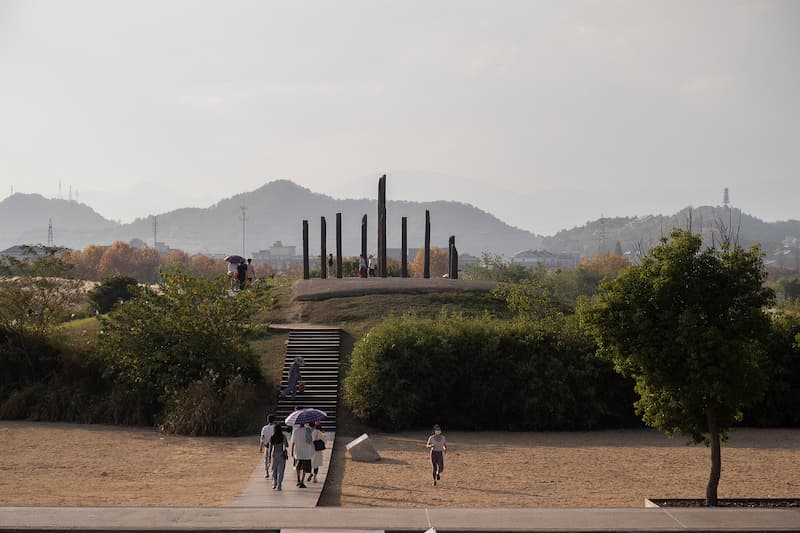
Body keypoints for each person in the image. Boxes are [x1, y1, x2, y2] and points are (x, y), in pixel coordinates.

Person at [290, 422, 314, 488]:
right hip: (306, 452)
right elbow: (311, 440)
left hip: (298, 452)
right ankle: (302, 481)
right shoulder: (308, 430)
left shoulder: (295, 430)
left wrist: (291, 451)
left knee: (298, 467)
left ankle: (298, 480)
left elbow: (293, 442)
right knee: (305, 468)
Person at [268, 424, 290, 490]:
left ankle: (274, 483)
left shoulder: (272, 437)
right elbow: (287, 445)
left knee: (274, 470)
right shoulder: (283, 436)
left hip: (274, 454)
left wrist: (269, 458)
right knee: (281, 470)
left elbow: (270, 449)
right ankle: (279, 485)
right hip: (281, 454)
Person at [258, 414, 276, 478]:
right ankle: (273, 472)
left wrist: (260, 446)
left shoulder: (264, 428)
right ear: (274, 420)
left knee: (266, 459)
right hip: (274, 446)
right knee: (273, 459)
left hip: (267, 446)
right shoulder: (275, 427)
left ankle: (266, 472)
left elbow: (262, 438)